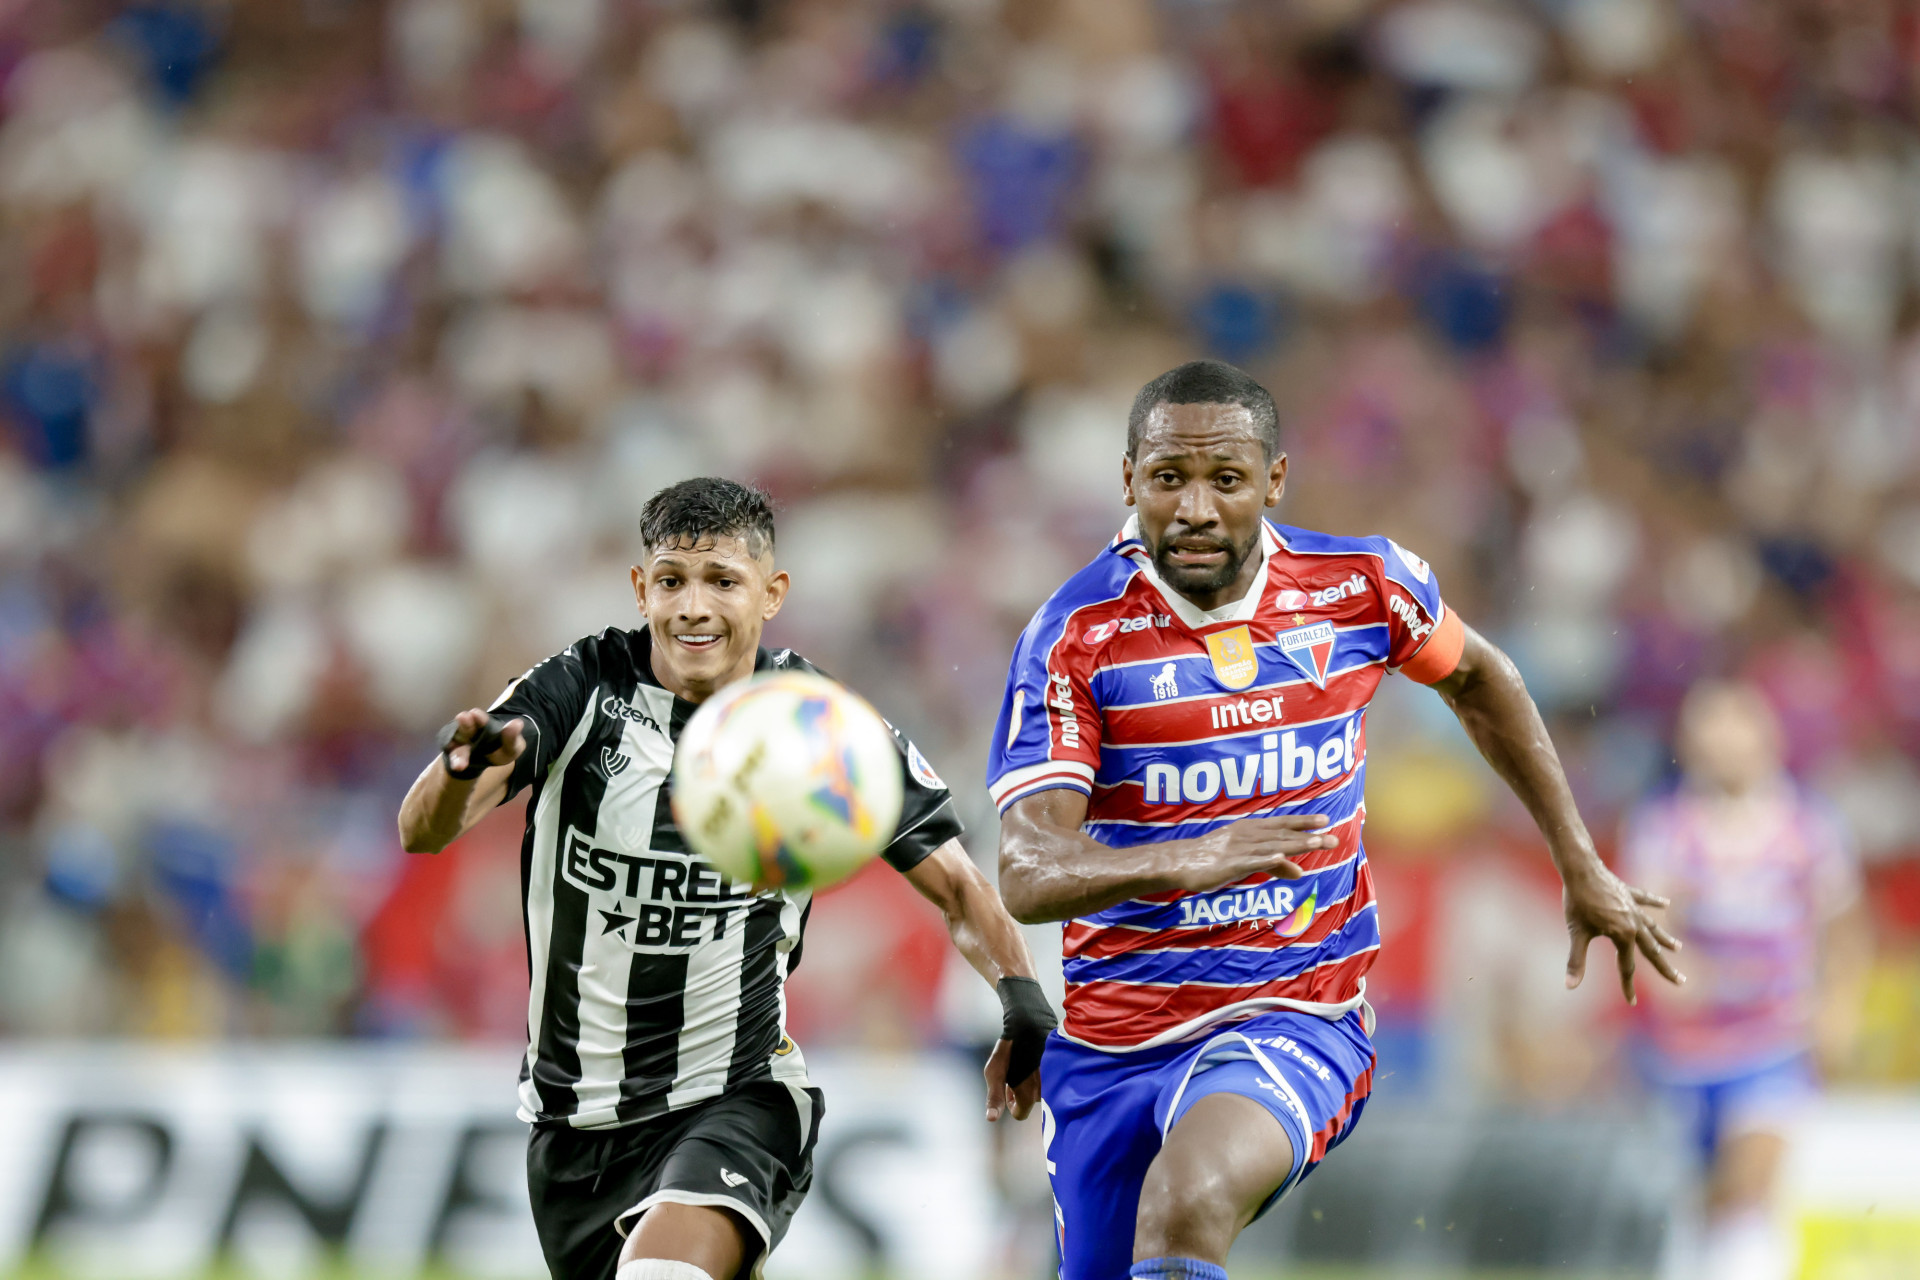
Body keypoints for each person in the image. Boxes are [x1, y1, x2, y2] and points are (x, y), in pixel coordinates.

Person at [988, 360, 1685, 1280]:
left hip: (1295, 1012)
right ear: (1129, 481)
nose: (1195, 508)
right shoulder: (1074, 636)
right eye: (1169, 479)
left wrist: (1580, 860)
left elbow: (1482, 679)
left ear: (1274, 481)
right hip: (1114, 1041)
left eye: (1225, 480)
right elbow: (1029, 871)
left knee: (1187, 1200)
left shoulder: (1359, 584)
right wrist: (1192, 857)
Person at [396, 477, 1054, 1280]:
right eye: (672, 581)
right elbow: (420, 831)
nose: (693, 608)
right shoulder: (580, 687)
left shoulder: (820, 727)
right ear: (641, 588)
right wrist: (462, 771)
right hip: (573, 1128)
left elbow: (956, 885)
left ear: (771, 593)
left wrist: (1019, 996)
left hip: (738, 1099)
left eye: (723, 582)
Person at [1622, 681, 1868, 1280]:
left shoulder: (1809, 827)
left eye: (1736, 726)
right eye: (1708, 728)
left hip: (1773, 1042)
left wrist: (1840, 1007)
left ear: (1768, 736)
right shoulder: (1664, 828)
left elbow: (1846, 929)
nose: (1723, 741)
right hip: (1685, 1052)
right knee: (1702, 1209)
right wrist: (1676, 974)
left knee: (1748, 1185)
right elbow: (1644, 928)